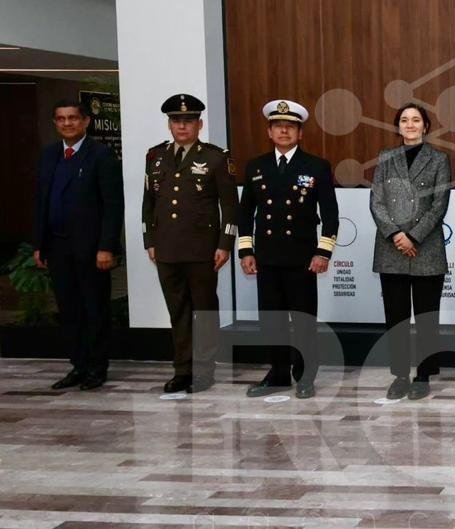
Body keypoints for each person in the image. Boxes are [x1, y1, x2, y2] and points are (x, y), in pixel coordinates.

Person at [237, 100, 339, 399]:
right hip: (267, 257)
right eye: (278, 126)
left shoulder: (316, 166)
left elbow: (330, 214)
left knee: (304, 321)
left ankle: (305, 374)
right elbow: (245, 213)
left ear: (300, 133)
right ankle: (278, 374)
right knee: (272, 321)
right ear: (269, 132)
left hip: (302, 258)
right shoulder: (256, 166)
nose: (284, 131)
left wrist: (323, 252)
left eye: (290, 126)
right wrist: (246, 251)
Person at [141, 94, 238, 394]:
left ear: (199, 124)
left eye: (188, 121)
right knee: (178, 311)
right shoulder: (155, 157)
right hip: (166, 249)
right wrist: (150, 240)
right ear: (169, 125)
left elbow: (230, 206)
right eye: (176, 121)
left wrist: (225, 243)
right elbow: (148, 203)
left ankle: (204, 370)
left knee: (204, 311)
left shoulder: (216, 158)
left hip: (202, 249)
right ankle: (182, 370)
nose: (182, 126)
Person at [33, 99, 124, 391]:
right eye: (61, 119)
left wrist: (107, 246)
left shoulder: (101, 155)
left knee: (94, 308)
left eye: (73, 118)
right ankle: (79, 365)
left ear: (85, 121)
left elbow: (113, 206)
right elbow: (43, 202)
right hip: (57, 247)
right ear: (55, 123)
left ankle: (97, 367)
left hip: (92, 249)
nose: (67, 123)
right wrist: (40, 244)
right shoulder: (49, 155)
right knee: (69, 309)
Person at [369, 102, 451, 400]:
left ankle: (424, 376)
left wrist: (413, 237)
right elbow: (376, 202)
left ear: (425, 126)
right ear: (398, 126)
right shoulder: (385, 158)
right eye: (404, 120)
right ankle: (400, 376)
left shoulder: (439, 159)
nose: (410, 124)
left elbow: (439, 205)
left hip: (426, 248)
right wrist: (396, 235)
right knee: (396, 318)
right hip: (391, 249)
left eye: (416, 120)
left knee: (427, 318)